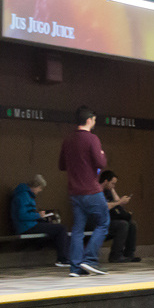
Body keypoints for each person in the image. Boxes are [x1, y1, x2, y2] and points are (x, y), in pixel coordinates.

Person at [58, 106, 110, 276]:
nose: (94, 123)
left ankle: (75, 268)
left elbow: (62, 165)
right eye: (94, 120)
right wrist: (102, 153)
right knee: (103, 223)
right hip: (91, 190)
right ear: (89, 120)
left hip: (74, 192)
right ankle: (90, 260)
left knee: (78, 229)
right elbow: (101, 163)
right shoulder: (92, 139)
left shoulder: (68, 140)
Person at [9, 174, 69, 267]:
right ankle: (62, 259)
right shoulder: (23, 196)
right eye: (40, 188)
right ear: (35, 186)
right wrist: (38, 215)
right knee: (61, 229)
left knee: (53, 227)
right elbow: (22, 215)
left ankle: (64, 256)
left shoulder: (25, 195)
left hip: (27, 224)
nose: (40, 190)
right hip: (26, 226)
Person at [99, 170, 140, 263]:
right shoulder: (97, 192)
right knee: (122, 224)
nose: (113, 186)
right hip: (98, 223)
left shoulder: (107, 191)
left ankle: (129, 254)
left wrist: (112, 189)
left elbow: (117, 203)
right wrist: (119, 202)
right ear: (106, 181)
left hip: (109, 220)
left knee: (132, 224)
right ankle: (115, 255)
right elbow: (105, 206)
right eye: (112, 183)